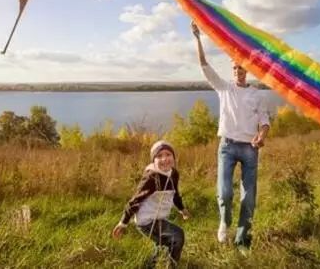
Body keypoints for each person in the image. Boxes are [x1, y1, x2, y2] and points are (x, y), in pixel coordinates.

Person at [191, 21, 270, 249]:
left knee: (249, 198)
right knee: (224, 193)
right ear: (232, 70)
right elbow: (204, 65)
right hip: (227, 146)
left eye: (242, 68)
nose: (238, 72)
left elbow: (265, 122)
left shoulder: (257, 95)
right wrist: (197, 38)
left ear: (248, 71)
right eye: (235, 68)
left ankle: (242, 240)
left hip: (250, 149)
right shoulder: (224, 88)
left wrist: (262, 136)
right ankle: (224, 223)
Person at [112, 140, 189, 268]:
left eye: (168, 154)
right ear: (154, 160)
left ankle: (150, 265)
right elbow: (135, 200)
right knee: (178, 235)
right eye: (159, 156)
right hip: (147, 221)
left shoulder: (173, 174)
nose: (164, 159)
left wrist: (182, 209)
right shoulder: (152, 177)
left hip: (159, 217)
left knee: (163, 244)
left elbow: (175, 193)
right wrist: (123, 223)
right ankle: (172, 266)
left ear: (174, 157)